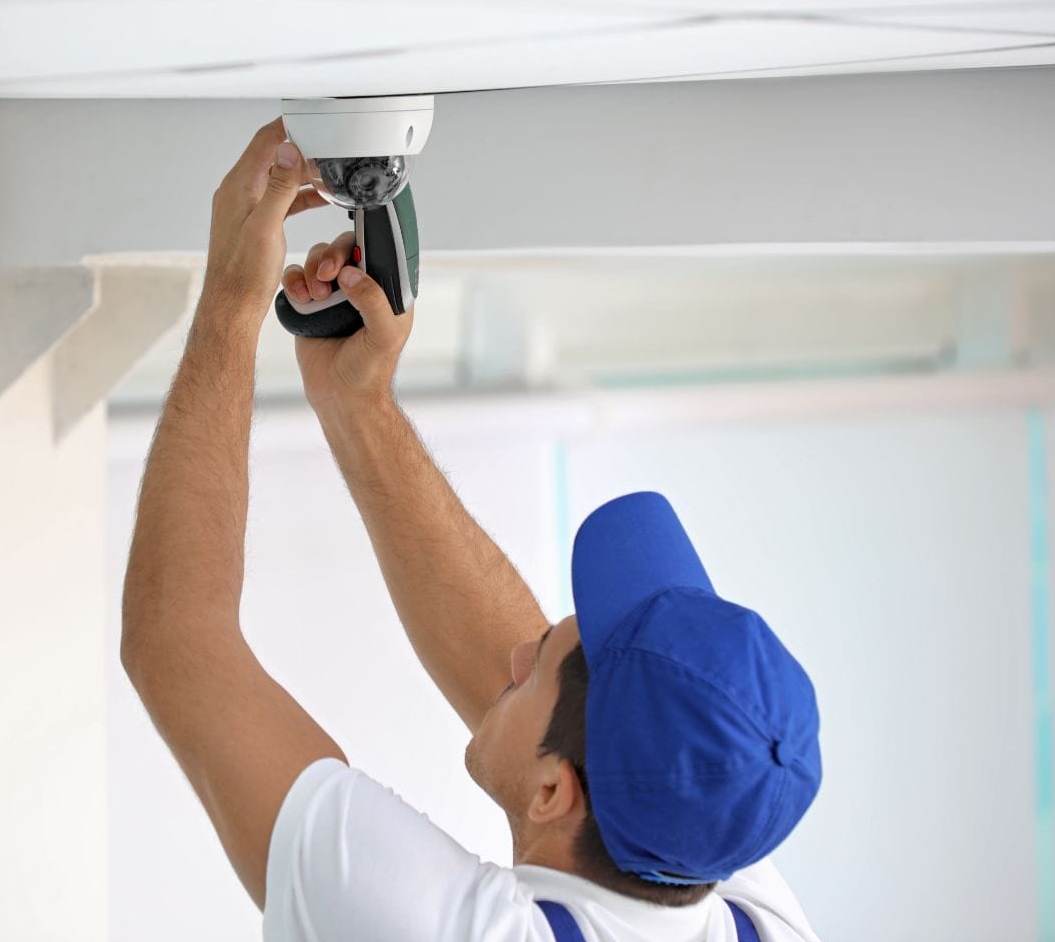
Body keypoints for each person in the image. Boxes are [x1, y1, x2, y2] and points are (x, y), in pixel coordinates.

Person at [120, 120, 823, 942]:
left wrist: (231, 297)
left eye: (536, 670)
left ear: (556, 795)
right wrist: (358, 403)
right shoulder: (719, 860)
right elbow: (563, 709)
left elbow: (178, 644)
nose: (517, 654)